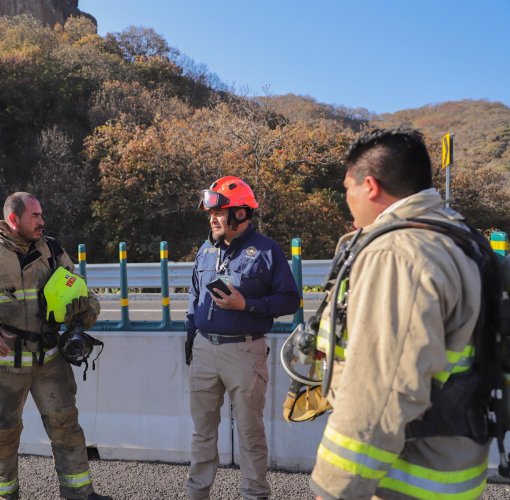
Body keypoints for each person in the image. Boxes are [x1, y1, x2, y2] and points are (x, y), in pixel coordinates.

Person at [309, 128, 489, 499]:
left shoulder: (397, 253)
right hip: (453, 468)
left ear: (370, 186)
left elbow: (382, 390)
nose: (347, 199)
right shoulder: (462, 237)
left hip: (403, 479)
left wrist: (332, 489)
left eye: (348, 188)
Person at [0, 192, 111, 500]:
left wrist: (84, 311)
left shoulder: (52, 250)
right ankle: (7, 497)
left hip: (49, 360)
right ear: (13, 219)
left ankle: (79, 495)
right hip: (1, 366)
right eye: (35, 216)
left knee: (66, 428)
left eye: (42, 215)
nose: (42, 221)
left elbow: (85, 296)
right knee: (3, 437)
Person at [185, 176, 300, 500]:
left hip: (245, 351)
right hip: (205, 348)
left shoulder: (267, 251)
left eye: (219, 212)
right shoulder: (206, 249)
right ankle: (196, 495)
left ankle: (254, 495)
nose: (212, 219)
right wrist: (191, 335)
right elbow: (194, 295)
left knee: (250, 435)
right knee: (202, 434)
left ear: (239, 214)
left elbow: (290, 300)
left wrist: (246, 304)